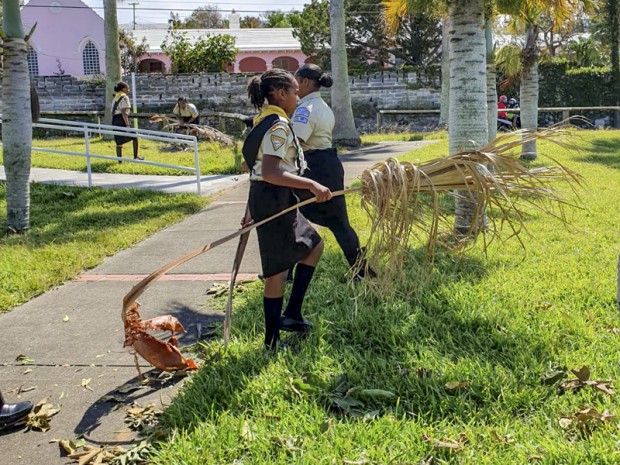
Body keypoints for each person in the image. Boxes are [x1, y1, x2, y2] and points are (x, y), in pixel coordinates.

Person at [242, 69, 332, 349]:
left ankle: (292, 314)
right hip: (272, 199)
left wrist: (250, 208)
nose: (297, 97)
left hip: (274, 197)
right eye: (294, 92)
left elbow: (250, 165)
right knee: (277, 271)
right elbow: (269, 171)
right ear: (280, 94)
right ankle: (271, 341)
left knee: (314, 246)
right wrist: (312, 185)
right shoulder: (278, 125)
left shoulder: (265, 120)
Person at [292, 64, 373, 279]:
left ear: (304, 82)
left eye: (295, 82)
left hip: (313, 168)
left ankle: (286, 273)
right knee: (339, 223)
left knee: (292, 217)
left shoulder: (305, 109)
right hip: (328, 164)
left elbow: (295, 142)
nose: (293, 87)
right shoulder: (322, 107)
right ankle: (361, 271)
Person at [111, 82, 142, 163]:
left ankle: (120, 161)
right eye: (127, 88)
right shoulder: (124, 97)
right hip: (121, 119)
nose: (128, 90)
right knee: (134, 136)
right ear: (124, 88)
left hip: (115, 120)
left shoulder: (116, 97)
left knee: (118, 141)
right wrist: (127, 125)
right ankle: (135, 156)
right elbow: (124, 112)